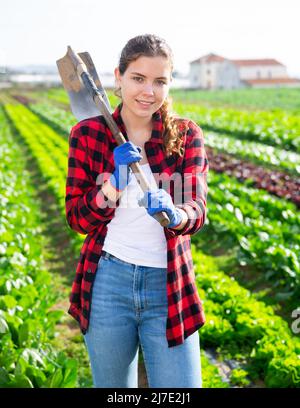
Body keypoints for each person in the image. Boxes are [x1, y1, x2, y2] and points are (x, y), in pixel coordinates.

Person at [65, 33, 209, 388]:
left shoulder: (186, 135)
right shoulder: (89, 134)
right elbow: (76, 218)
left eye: (159, 81)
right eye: (138, 78)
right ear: (118, 76)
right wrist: (112, 186)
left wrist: (175, 215)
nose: (149, 91)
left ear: (170, 83)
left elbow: (197, 208)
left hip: (168, 283)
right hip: (108, 282)